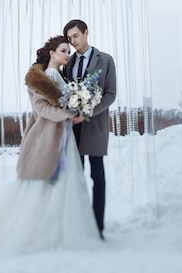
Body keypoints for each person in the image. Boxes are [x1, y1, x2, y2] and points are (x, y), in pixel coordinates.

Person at [0, 35, 101, 252]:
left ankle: (59, 229)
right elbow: (42, 109)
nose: (68, 54)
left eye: (69, 51)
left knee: (62, 184)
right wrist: (69, 112)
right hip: (47, 137)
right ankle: (32, 230)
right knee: (39, 187)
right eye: (64, 50)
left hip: (63, 137)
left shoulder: (59, 77)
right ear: (52, 53)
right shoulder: (43, 78)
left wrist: (79, 109)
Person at [62, 19, 117, 240]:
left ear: (86, 32)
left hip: (95, 126)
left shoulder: (105, 59)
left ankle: (98, 227)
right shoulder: (68, 62)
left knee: (97, 176)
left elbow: (111, 94)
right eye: (69, 38)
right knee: (76, 176)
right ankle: (79, 224)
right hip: (72, 128)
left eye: (75, 36)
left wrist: (89, 111)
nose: (73, 41)